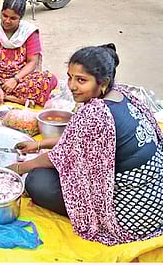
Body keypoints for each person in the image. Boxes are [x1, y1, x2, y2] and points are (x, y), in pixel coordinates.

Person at [10, 44, 163, 245]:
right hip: (155, 202)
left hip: (130, 216)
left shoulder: (95, 113)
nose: (72, 86)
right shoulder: (123, 95)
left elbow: (62, 155)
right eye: (70, 77)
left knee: (38, 181)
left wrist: (19, 168)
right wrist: (38, 145)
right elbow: (79, 139)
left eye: (81, 80)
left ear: (103, 82)